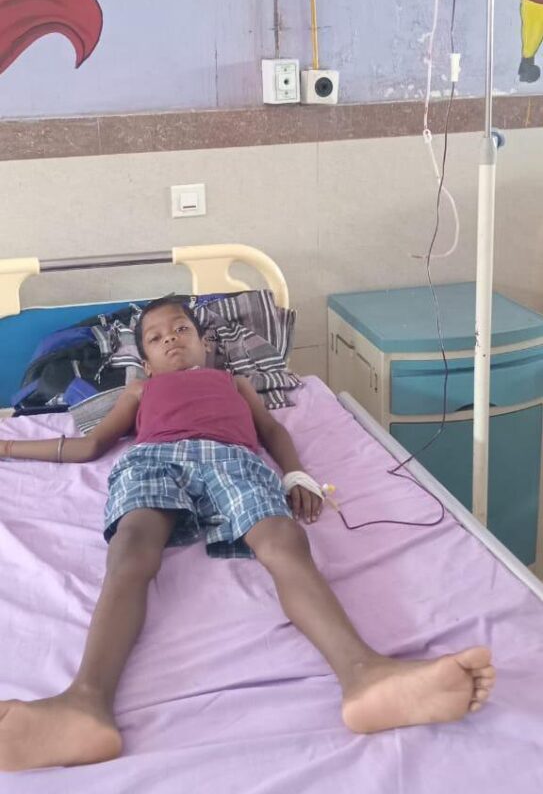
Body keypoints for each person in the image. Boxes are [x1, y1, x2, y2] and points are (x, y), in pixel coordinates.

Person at [0, 297, 495, 772]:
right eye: (155, 337)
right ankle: (84, 702)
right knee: (130, 551)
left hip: (232, 458)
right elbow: (90, 446)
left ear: (204, 343)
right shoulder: (140, 392)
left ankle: (365, 675)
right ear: (145, 362)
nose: (171, 339)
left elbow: (273, 432)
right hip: (154, 459)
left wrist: (296, 475)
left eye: (181, 329)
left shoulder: (233, 383)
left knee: (284, 540)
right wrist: (8, 448)